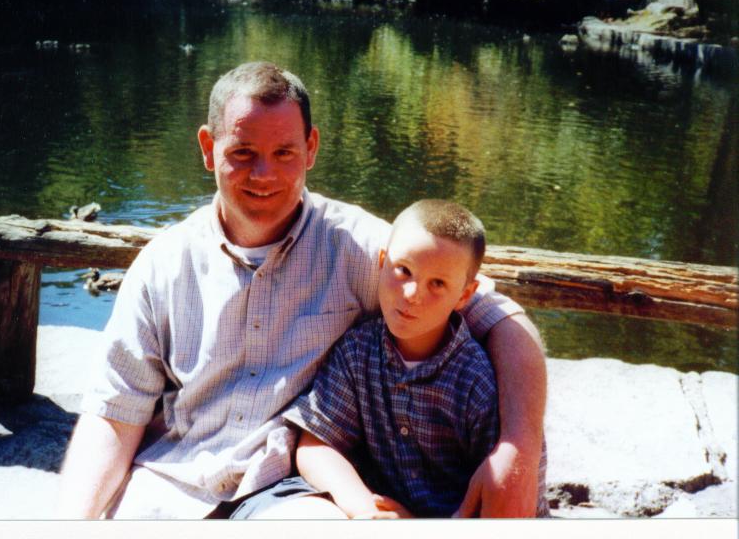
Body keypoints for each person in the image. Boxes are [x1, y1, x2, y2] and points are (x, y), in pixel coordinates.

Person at [56, 61, 547, 519]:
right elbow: (114, 418)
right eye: (242, 152)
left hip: (284, 491)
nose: (264, 174)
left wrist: (515, 453)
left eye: (284, 153)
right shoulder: (162, 264)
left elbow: (503, 320)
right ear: (208, 148)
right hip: (169, 483)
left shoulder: (363, 249)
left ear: (311, 147)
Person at [282, 199, 549, 518]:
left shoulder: (476, 381)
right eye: (403, 270)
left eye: (437, 283)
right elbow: (316, 444)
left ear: (464, 295)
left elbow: (507, 493)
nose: (412, 294)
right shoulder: (357, 352)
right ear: (382, 262)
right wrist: (366, 510)